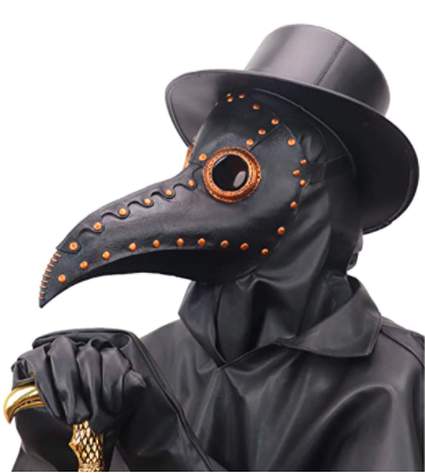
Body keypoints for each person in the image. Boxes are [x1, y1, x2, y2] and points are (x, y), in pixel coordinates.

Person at [10, 25, 423, 471]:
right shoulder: (147, 363)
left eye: (231, 173)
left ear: (321, 202)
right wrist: (57, 445)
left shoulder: (394, 381)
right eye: (196, 164)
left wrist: (158, 440)